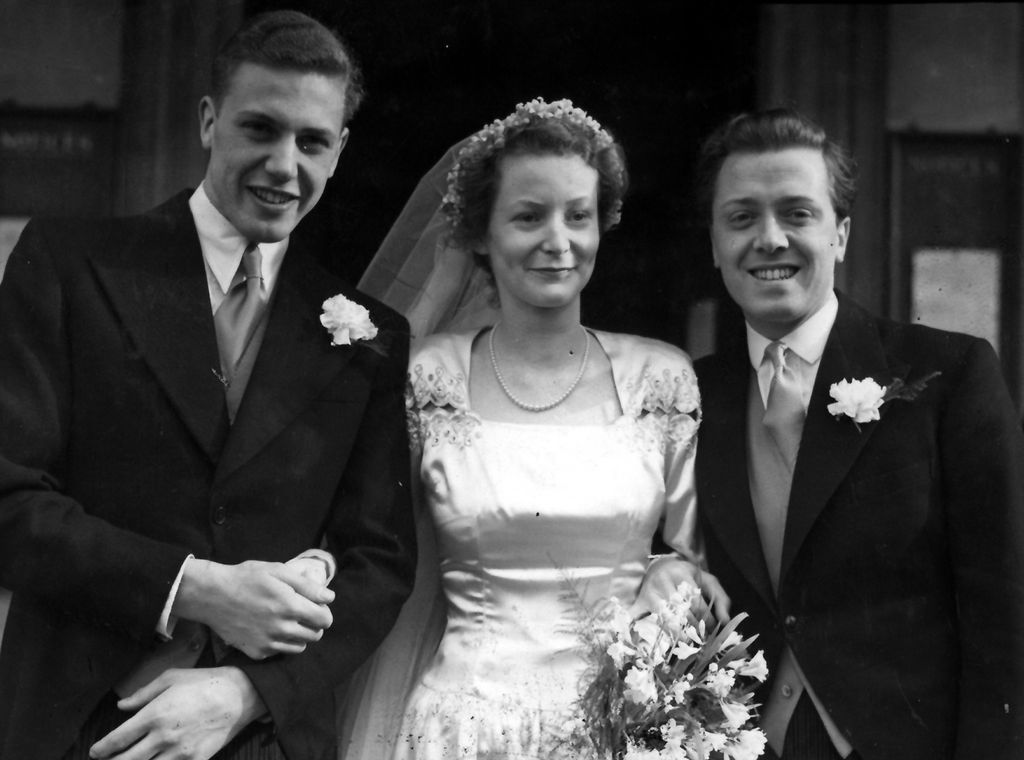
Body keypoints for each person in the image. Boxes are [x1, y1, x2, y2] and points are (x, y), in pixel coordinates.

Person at [0, 10, 415, 760]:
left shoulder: (370, 338)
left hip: (265, 738)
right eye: (260, 128)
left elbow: (378, 564)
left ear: (340, 151)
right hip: (80, 727)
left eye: (313, 142)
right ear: (207, 120)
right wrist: (194, 589)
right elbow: (8, 500)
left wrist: (252, 693)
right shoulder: (70, 265)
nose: (285, 166)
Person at [340, 97, 713, 759]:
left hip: (626, 730)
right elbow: (377, 552)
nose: (558, 241)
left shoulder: (664, 377)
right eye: (529, 216)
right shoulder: (428, 376)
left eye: (579, 215)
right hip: (465, 730)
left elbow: (693, 558)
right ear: (482, 232)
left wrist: (665, 593)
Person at [692, 108, 1024, 759]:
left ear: (840, 234)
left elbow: (1006, 619)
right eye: (741, 218)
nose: (770, 238)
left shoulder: (947, 376)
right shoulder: (685, 396)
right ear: (713, 244)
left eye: (797, 213)